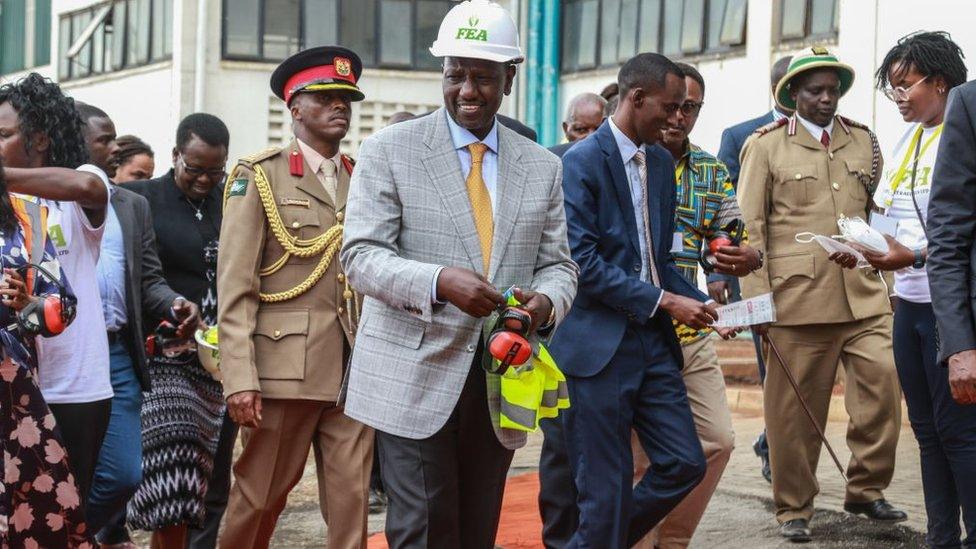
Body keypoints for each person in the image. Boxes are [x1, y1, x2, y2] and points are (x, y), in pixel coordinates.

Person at [340, 1, 578, 546]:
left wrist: (542, 305)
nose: (468, 90)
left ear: (509, 80)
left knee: (476, 528)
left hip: (499, 377)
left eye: (483, 77)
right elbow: (361, 256)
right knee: (424, 526)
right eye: (456, 75)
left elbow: (559, 265)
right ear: (442, 75)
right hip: (411, 372)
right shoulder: (388, 151)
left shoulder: (541, 165)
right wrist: (438, 281)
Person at [737, 47, 907, 542]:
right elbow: (750, 227)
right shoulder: (765, 146)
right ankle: (793, 508)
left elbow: (881, 215)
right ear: (793, 95)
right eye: (815, 90)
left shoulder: (863, 142)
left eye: (832, 90)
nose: (826, 99)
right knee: (792, 416)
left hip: (864, 295)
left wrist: (889, 278)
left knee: (882, 388)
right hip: (797, 301)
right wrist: (757, 304)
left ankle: (866, 489)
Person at [550, 53, 716, 548]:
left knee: (686, 462)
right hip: (597, 349)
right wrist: (668, 302)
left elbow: (655, 259)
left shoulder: (662, 163)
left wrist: (704, 304)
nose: (675, 119)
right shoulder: (580, 162)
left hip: (652, 344)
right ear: (636, 99)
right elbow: (584, 263)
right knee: (604, 492)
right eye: (668, 108)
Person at [217, 46, 374, 549]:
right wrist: (239, 378)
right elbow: (236, 286)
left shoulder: (360, 176)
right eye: (325, 97)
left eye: (346, 98)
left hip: (353, 367)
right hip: (282, 370)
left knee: (351, 504)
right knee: (260, 497)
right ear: (295, 107)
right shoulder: (259, 175)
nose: (340, 107)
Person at [631, 62, 760, 549]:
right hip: (638, 330)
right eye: (674, 106)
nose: (680, 117)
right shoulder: (629, 161)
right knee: (640, 459)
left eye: (691, 108)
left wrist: (740, 258)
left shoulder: (709, 169)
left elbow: (733, 239)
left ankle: (675, 540)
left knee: (718, 442)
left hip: (691, 336)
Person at [868, 31, 976, 548]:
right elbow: (894, 223)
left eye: (905, 86)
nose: (900, 98)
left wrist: (911, 256)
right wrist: (864, 246)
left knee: (960, 435)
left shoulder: (965, 126)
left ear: (938, 82)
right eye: (893, 89)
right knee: (927, 433)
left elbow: (959, 234)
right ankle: (940, 538)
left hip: (947, 308)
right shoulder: (906, 141)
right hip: (907, 303)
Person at [77, 104, 202, 547]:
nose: (113, 147)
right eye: (103, 139)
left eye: (114, 139)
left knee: (124, 474)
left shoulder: (132, 204)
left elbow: (149, 281)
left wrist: (176, 303)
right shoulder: (47, 198)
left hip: (117, 354)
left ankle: (54, 534)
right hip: (64, 355)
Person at [0, 73, 112, 515]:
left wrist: (4, 176)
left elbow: (89, 189)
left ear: (40, 138)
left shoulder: (77, 186)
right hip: (12, 383)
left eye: (4, 135)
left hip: (74, 386)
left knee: (66, 513)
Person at [125, 113, 233, 548]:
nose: (205, 179)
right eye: (195, 169)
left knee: (215, 475)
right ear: (175, 156)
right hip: (167, 355)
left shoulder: (232, 203)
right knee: (178, 479)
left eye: (215, 170)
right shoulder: (142, 199)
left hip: (223, 358)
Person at [715, 55, 792, 483]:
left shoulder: (830, 136)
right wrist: (722, 276)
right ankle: (775, 449)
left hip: (810, 280)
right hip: (757, 277)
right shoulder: (742, 136)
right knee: (773, 366)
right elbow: (728, 215)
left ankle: (772, 440)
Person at [550, 92, 608, 157]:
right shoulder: (550, 162)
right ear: (566, 129)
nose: (591, 137)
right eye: (581, 129)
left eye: (600, 129)